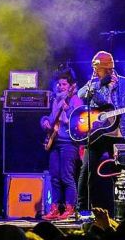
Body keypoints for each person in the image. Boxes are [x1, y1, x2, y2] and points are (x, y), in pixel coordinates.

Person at [75, 51, 125, 216]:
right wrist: (98, 84)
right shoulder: (94, 83)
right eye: (98, 70)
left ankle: (124, 212)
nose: (98, 72)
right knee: (86, 170)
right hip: (98, 134)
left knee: (120, 174)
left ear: (109, 68)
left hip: (119, 134)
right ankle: (82, 209)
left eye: (102, 69)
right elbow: (80, 94)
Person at [40, 70, 82, 221]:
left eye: (64, 84)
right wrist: (44, 121)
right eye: (59, 84)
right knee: (55, 177)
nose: (61, 86)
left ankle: (70, 208)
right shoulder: (56, 100)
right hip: (55, 142)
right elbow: (51, 119)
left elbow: (80, 122)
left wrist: (68, 111)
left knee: (66, 176)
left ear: (71, 86)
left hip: (68, 143)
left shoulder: (75, 99)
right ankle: (55, 208)